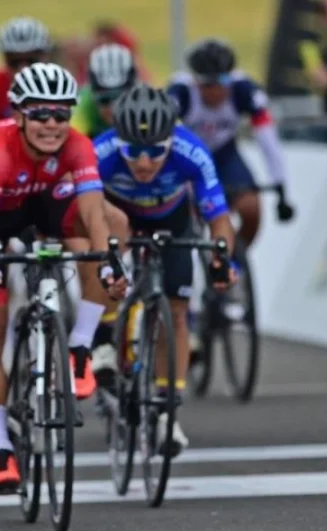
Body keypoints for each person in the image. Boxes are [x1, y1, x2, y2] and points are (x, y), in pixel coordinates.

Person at [0, 62, 127, 495]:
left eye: (61, 113)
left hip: (39, 200)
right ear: (19, 115)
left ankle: (81, 347)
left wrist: (108, 260)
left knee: (112, 223)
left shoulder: (77, 145)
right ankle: (1, 447)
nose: (52, 124)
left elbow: (92, 212)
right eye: (40, 113)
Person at [92, 84, 238, 456]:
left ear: (171, 142)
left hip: (171, 222)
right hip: (118, 217)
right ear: (119, 143)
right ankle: (105, 337)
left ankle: (168, 410)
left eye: (156, 151)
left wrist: (222, 259)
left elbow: (219, 218)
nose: (144, 162)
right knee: (107, 270)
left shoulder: (192, 151)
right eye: (133, 152)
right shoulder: (100, 153)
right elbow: (82, 211)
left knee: (175, 310)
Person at [167, 38, 295, 250]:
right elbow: (165, 134)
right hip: (190, 158)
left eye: (222, 81)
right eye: (208, 84)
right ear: (195, 81)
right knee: (187, 212)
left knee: (251, 208)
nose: (216, 90)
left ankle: (235, 257)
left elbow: (268, 140)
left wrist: (281, 187)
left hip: (225, 155)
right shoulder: (181, 91)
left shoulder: (244, 90)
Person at [0, 17, 51, 126]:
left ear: (45, 57)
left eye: (31, 60)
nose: (23, 68)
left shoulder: (59, 83)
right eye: (14, 61)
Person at [72, 44, 139, 139]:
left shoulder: (145, 103)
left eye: (122, 99)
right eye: (104, 100)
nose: (113, 107)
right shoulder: (82, 103)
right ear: (92, 94)